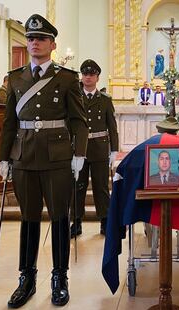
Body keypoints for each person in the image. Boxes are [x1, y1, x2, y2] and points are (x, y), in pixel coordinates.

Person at [0, 14, 88, 308]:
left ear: (52, 44)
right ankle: (27, 278)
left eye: (40, 39)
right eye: (30, 38)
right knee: (29, 219)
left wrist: (79, 154)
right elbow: (9, 123)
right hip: (24, 157)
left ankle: (59, 278)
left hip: (58, 158)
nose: (34, 43)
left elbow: (78, 120)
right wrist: (3, 157)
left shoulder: (66, 78)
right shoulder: (15, 78)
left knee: (60, 218)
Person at [70, 59, 119, 238]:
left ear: (97, 77)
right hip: (79, 150)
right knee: (77, 186)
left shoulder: (105, 100)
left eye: (91, 75)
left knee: (101, 187)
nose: (88, 77)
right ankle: (76, 222)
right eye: (85, 74)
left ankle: (105, 221)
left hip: (99, 149)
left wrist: (114, 149)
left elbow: (111, 126)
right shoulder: (75, 98)